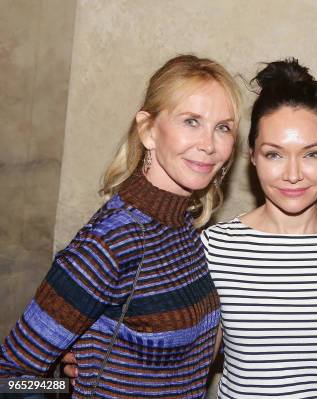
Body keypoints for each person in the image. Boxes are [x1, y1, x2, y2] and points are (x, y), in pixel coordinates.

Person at [0, 54, 240, 398]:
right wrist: (66, 386)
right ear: (148, 130)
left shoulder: (182, 228)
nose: (209, 144)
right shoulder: (113, 240)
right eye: (191, 121)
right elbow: (11, 375)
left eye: (223, 127)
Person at [201, 59, 317, 398]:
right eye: (275, 155)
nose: (293, 174)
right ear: (252, 156)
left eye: (311, 154)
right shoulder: (215, 248)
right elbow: (184, 362)